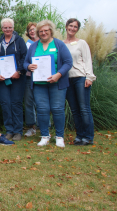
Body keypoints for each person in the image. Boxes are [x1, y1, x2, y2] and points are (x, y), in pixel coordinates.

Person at [24, 20, 72, 148]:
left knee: (57, 109)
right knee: (42, 109)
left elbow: (68, 62)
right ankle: (45, 136)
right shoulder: (34, 46)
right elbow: (25, 63)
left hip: (57, 82)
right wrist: (29, 66)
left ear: (51, 31)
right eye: (41, 31)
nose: (43, 33)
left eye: (46, 30)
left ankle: (59, 137)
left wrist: (58, 74)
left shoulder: (59, 44)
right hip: (39, 83)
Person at [0, 18, 27, 141]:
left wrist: (19, 72)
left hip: (17, 78)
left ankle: (18, 131)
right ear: (2, 29)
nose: (8, 29)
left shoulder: (19, 41)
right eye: (5, 27)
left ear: (13, 28)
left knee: (16, 103)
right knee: (5, 104)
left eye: (10, 27)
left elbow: (24, 57)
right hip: (2, 79)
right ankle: (9, 130)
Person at [64, 18, 96, 146]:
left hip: (81, 78)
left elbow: (88, 60)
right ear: (66, 27)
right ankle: (79, 136)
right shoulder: (61, 44)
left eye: (75, 27)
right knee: (75, 110)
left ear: (77, 29)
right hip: (67, 79)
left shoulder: (81, 43)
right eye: (70, 26)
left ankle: (88, 137)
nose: (72, 28)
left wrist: (89, 77)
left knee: (84, 108)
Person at [24, 22, 39, 137]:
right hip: (29, 77)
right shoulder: (26, 44)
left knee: (42, 102)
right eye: (30, 30)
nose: (32, 31)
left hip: (43, 77)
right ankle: (31, 127)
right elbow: (24, 61)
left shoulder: (45, 43)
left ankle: (44, 127)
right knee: (29, 102)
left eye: (34, 29)